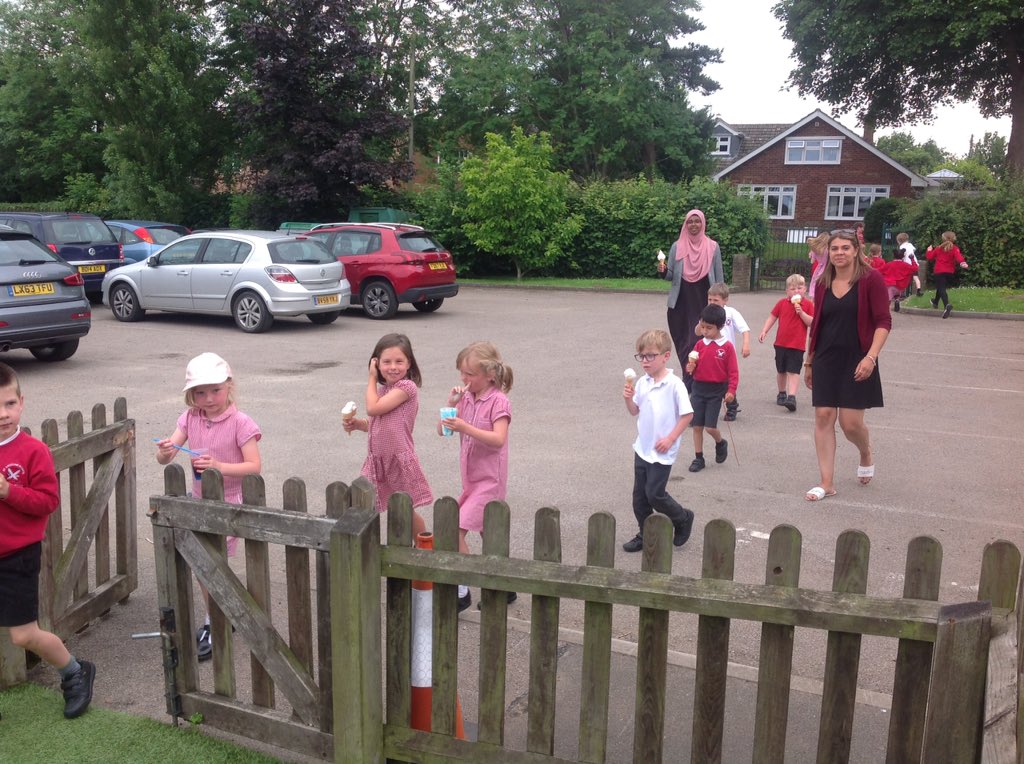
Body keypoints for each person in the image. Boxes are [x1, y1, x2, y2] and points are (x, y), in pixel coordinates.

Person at [0, 362, 96, 719]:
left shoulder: (32, 451)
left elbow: (48, 502)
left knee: (23, 636)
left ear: (21, 402)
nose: (2, 414)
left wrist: (10, 492)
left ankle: (74, 671)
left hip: (17, 556)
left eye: (9, 404)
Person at [156, 352, 262, 661]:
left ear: (229, 386)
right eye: (200, 392)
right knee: (205, 566)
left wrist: (218, 465)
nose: (209, 398)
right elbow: (166, 456)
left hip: (229, 504)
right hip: (199, 502)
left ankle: (217, 622)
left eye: (215, 390)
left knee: (210, 565)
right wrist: (165, 450)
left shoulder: (241, 423)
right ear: (191, 395)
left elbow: (254, 466)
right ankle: (216, 618)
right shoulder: (190, 418)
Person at [803, 230, 891, 501]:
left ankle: (865, 451)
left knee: (850, 423)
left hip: (858, 357)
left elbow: (883, 321)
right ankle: (826, 482)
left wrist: (871, 357)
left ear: (856, 251)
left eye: (845, 248)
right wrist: (809, 361)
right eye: (834, 249)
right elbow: (817, 324)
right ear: (828, 252)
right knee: (824, 416)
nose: (839, 253)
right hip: (826, 358)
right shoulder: (822, 282)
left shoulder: (871, 279)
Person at [438, 342, 514, 612]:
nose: (464, 379)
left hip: (489, 481)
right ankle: (506, 586)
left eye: (470, 374)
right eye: (462, 373)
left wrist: (465, 427)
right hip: (471, 480)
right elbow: (442, 430)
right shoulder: (466, 398)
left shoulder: (498, 401)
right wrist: (451, 406)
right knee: (490, 534)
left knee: (456, 528)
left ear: (489, 375)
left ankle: (462, 589)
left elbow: (498, 439)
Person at [343, 333, 431, 536]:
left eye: (399, 361)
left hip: (396, 459)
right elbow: (377, 422)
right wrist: (358, 424)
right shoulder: (383, 391)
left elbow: (373, 409)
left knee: (403, 507)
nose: (393, 366)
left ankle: (424, 544)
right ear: (377, 363)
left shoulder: (406, 388)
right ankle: (364, 542)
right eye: (387, 362)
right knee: (362, 499)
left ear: (409, 363)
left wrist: (372, 377)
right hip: (377, 460)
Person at [621, 329, 694, 553]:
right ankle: (645, 533)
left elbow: (687, 415)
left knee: (655, 494)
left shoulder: (674, 384)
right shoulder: (642, 383)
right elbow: (635, 411)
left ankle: (682, 517)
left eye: (651, 356)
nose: (645, 361)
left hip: (663, 450)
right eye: (641, 356)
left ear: (665, 356)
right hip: (642, 447)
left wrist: (671, 438)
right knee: (639, 498)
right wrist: (628, 398)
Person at [658, 209, 725, 388]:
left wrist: (721, 302)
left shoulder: (712, 247)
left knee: (696, 341)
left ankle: (695, 379)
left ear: (703, 224)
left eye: (697, 221)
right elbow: (670, 275)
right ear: (685, 225)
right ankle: (688, 378)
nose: (693, 225)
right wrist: (663, 271)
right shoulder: (677, 247)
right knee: (683, 342)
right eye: (690, 222)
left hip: (704, 301)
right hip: (681, 303)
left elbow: (719, 277)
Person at [685, 304, 739, 472]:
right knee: (697, 426)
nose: (705, 331)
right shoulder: (700, 345)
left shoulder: (727, 347)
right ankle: (698, 457)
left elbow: (733, 371)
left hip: (716, 390)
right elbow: (692, 365)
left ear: (721, 326)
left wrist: (731, 390)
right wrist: (690, 367)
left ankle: (720, 442)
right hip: (698, 388)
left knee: (710, 427)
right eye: (703, 327)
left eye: (709, 328)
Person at [758, 274, 814, 412]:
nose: (796, 291)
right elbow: (772, 317)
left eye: (799, 288)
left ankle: (792, 396)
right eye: (792, 288)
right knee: (781, 370)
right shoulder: (782, 303)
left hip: (797, 345)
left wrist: (801, 313)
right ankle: (782, 392)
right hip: (781, 343)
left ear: (805, 289)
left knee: (793, 371)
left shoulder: (808, 304)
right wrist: (765, 330)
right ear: (787, 291)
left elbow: (812, 322)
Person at [698, 282, 749, 421]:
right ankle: (704, 405)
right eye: (710, 300)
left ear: (725, 300)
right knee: (711, 378)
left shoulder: (731, 313)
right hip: (709, 351)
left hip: (726, 353)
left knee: (726, 382)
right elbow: (698, 332)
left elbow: (744, 329)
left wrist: (745, 345)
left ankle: (731, 405)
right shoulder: (707, 312)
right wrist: (700, 324)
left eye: (716, 300)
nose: (712, 303)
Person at [926, 231, 969, 319]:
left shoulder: (938, 248)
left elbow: (930, 257)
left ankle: (947, 305)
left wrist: (929, 250)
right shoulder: (955, 248)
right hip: (949, 272)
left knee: (941, 288)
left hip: (939, 271)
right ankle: (935, 302)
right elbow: (958, 257)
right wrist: (962, 263)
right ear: (954, 239)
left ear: (943, 238)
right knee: (941, 287)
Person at [895, 232, 922, 297]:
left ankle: (903, 293)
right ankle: (918, 290)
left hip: (906, 265)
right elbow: (913, 250)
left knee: (905, 279)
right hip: (914, 264)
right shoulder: (910, 245)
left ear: (899, 241)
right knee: (916, 278)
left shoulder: (901, 247)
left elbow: (902, 255)